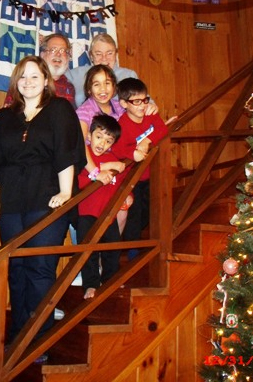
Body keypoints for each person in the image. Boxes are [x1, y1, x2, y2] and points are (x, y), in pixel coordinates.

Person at [0, 56, 85, 363]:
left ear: (46, 80)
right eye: (22, 77)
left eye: (34, 76)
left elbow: (67, 151)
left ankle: (38, 339)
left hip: (47, 194)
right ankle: (17, 336)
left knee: (40, 268)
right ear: (16, 82)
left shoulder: (60, 109)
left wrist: (66, 192)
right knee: (16, 269)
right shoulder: (4, 117)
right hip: (12, 199)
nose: (28, 81)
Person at [113, 78, 169, 259]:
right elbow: (118, 148)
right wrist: (132, 153)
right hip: (132, 179)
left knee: (151, 208)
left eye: (145, 100)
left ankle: (145, 243)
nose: (142, 105)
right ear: (124, 103)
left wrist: (147, 141)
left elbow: (162, 130)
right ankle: (133, 248)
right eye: (136, 102)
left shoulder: (151, 116)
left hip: (150, 174)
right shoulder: (122, 124)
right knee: (134, 214)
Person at [77, 115, 129, 300]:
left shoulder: (114, 158)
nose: (102, 143)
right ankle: (90, 284)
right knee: (88, 250)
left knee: (113, 248)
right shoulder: (85, 156)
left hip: (108, 215)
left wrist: (128, 195)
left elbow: (123, 179)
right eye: (99, 137)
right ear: (89, 136)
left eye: (108, 141)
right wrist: (104, 166)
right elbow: (80, 179)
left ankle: (110, 279)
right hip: (87, 213)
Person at [76, 64, 128, 231]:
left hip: (117, 166)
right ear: (89, 89)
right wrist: (95, 171)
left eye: (107, 83)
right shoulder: (85, 110)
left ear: (114, 86)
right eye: (96, 84)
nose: (103, 89)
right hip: (90, 164)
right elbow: (80, 143)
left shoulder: (119, 107)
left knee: (123, 208)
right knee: (93, 218)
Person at [66, 32, 159, 114]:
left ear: (116, 54)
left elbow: (145, 100)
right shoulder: (75, 74)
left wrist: (151, 106)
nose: (104, 58)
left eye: (109, 53)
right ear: (91, 56)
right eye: (98, 54)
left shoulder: (128, 75)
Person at [4, 33, 76, 108]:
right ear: (42, 55)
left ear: (68, 57)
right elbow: (9, 111)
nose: (58, 54)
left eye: (63, 51)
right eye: (53, 50)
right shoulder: (24, 81)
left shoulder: (69, 88)